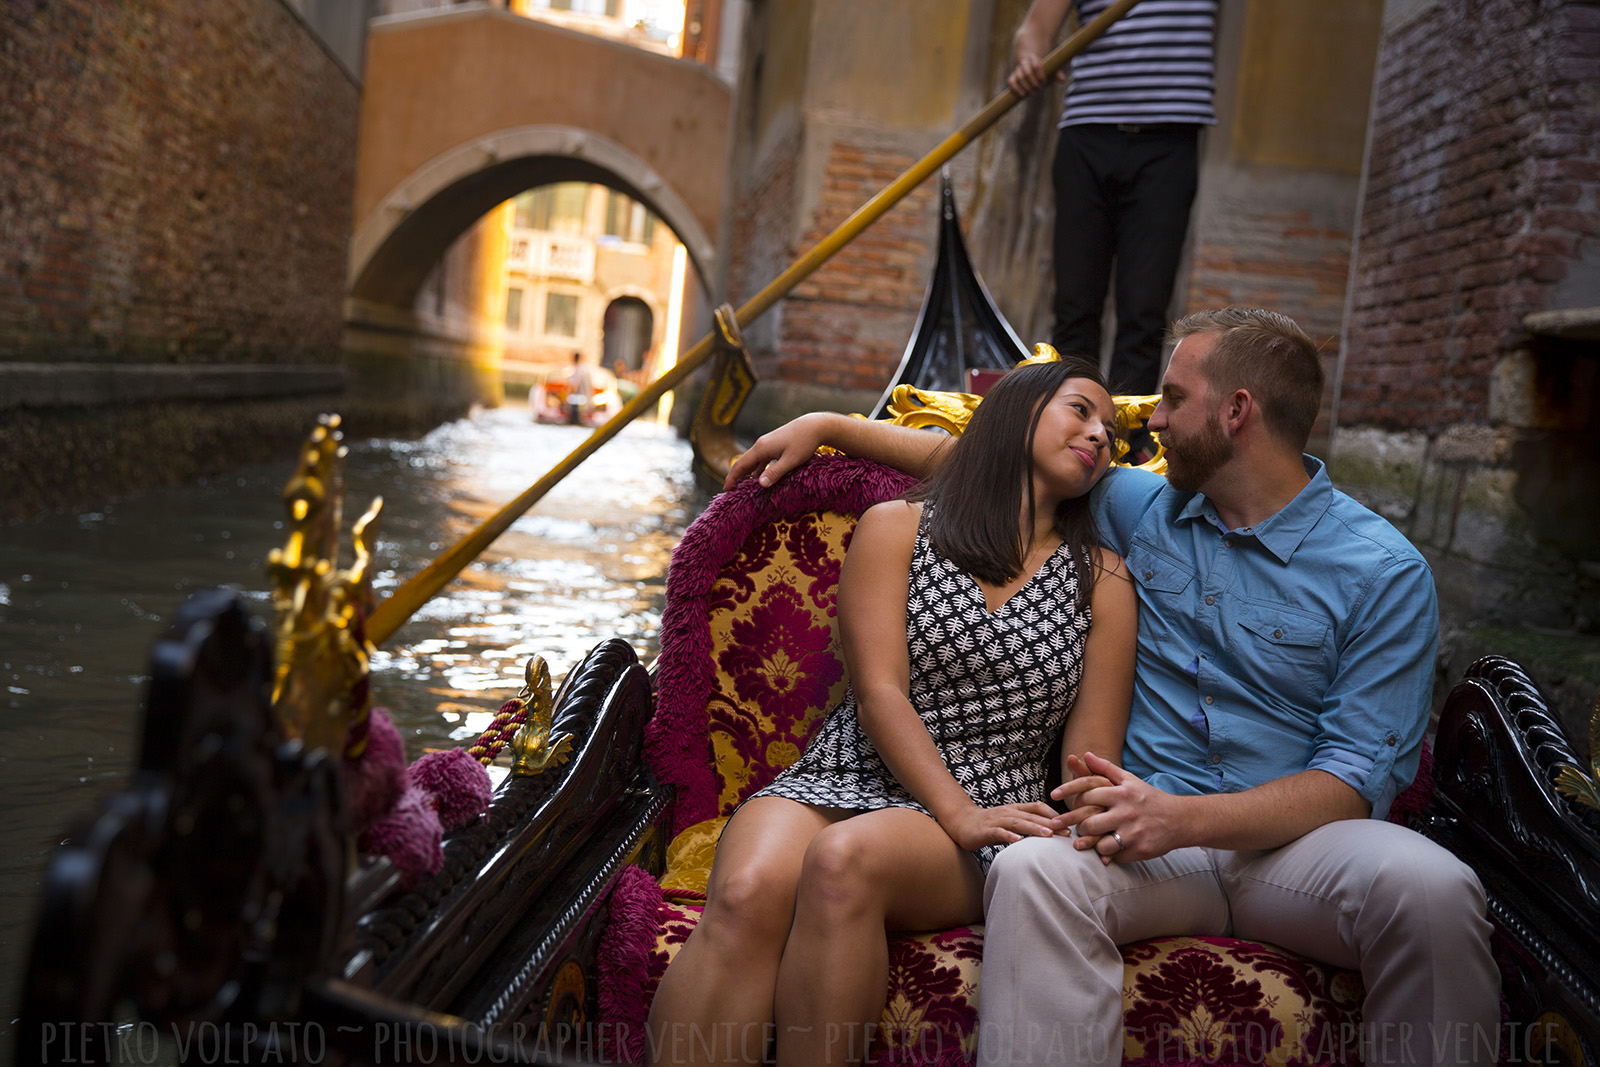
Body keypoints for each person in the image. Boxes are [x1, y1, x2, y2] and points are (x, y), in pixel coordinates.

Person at [725, 307, 1500, 1066]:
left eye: (1172, 398)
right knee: (1034, 871)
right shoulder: (1141, 506)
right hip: (1138, 838)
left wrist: (1184, 817)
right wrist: (832, 425)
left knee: (1435, 888)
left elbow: (1352, 779)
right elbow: (992, 462)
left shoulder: (1384, 570)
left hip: (1299, 849)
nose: (1151, 421)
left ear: (1236, 412)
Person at [648, 358, 1138, 1065]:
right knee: (748, 886)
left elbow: (1084, 759)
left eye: (1111, 433)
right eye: (1081, 410)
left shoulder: (1106, 579)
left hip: (988, 806)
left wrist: (1018, 825)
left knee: (844, 860)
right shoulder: (896, 527)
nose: (1099, 435)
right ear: (1018, 413)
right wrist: (826, 425)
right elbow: (880, 693)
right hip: (848, 768)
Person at [1008, 0, 1216, 398]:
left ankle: (1130, 433)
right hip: (1087, 138)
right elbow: (1032, 32)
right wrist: (1029, 59)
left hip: (1169, 145)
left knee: (1144, 309)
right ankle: (1069, 421)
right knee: (1075, 304)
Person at [564, 351, 594, 425]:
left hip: (579, 399)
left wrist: (565, 399)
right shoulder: (586, 370)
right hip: (586, 398)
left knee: (569, 401)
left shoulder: (577, 369)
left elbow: (574, 386)